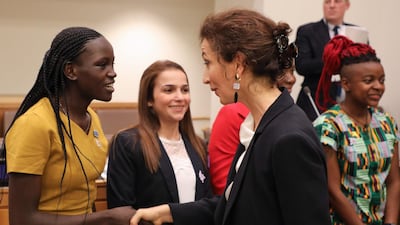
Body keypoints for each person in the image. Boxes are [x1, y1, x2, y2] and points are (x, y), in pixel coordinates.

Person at [130, 9, 331, 225]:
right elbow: (237, 204)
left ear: (238, 64)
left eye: (208, 63)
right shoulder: (257, 124)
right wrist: (169, 212)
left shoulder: (289, 138)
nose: (205, 78)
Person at [3, 27, 136, 225]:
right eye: (102, 65)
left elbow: (84, 196)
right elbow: (22, 219)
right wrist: (106, 218)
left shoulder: (92, 118)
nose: (113, 73)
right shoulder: (34, 124)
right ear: (70, 71)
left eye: (112, 64)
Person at [314, 35, 400, 225]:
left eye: (382, 80)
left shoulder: (387, 123)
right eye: (369, 81)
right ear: (346, 84)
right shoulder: (328, 126)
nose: (378, 87)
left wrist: (391, 222)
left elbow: (394, 181)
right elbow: (332, 190)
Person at [106, 60, 212, 208]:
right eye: (169, 90)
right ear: (149, 99)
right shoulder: (128, 143)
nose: (180, 97)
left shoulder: (198, 145)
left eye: (185, 90)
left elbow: (206, 205)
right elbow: (120, 210)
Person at [208, 62, 297, 195]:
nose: (291, 79)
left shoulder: (289, 118)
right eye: (283, 71)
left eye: (293, 71)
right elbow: (224, 186)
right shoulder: (232, 114)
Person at [295, 0, 353, 121]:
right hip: (316, 100)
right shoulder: (307, 31)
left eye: (337, 1)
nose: (331, 5)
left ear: (347, 5)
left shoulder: (356, 32)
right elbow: (302, 65)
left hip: (349, 101)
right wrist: (335, 60)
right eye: (327, 2)